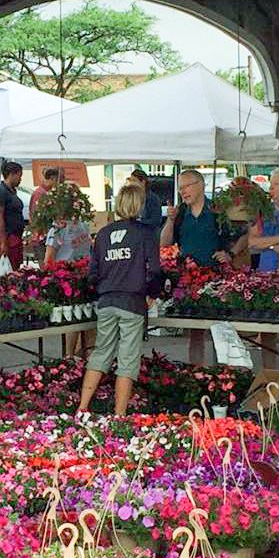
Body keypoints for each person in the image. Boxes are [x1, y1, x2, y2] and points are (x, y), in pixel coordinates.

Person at [79, 180, 163, 417]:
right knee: (127, 359)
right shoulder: (146, 233)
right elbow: (155, 270)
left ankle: (82, 407)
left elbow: (92, 273)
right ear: (139, 206)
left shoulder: (103, 234)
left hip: (107, 301)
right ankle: (119, 414)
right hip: (132, 302)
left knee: (101, 353)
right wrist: (153, 294)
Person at [164, 170, 228, 267]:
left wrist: (230, 254)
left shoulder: (217, 210)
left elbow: (242, 235)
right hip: (185, 275)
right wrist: (170, 220)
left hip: (215, 274)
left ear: (201, 185)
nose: (183, 191)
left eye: (187, 186)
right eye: (180, 188)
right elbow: (164, 244)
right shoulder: (180, 212)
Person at [0, 161, 26, 271]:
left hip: (15, 236)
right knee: (8, 269)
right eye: (19, 176)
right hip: (7, 237)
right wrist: (3, 242)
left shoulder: (12, 191)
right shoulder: (1, 192)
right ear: (11, 174)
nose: (20, 179)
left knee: (15, 267)